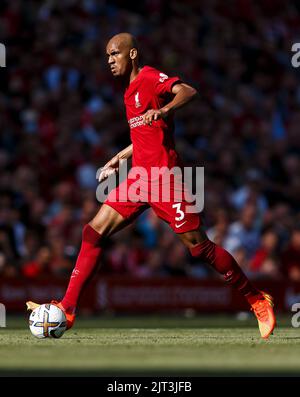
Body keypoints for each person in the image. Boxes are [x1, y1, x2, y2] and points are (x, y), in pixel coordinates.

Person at [27, 33, 276, 339]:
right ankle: (67, 307)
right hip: (139, 178)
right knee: (93, 232)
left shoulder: (148, 77)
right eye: (106, 56)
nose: (109, 61)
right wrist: (119, 157)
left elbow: (188, 91)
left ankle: (255, 299)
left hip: (166, 178)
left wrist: (166, 109)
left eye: (114, 54)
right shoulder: (128, 91)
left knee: (200, 249)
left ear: (132, 54)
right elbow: (142, 134)